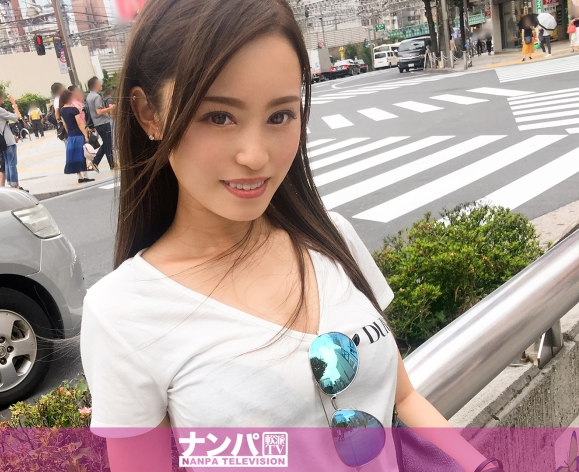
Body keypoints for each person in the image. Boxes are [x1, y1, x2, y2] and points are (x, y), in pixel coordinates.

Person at [79, 1, 502, 471]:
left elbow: (403, 399)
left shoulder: (330, 237)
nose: (255, 156)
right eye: (218, 117)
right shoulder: (123, 314)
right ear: (148, 114)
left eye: (279, 116)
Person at [0, 88, 23, 190]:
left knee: (7, 163)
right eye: (1, 96)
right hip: (8, 141)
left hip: (0, 142)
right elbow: (16, 117)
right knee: (12, 163)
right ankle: (15, 185)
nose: (3, 98)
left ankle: (12, 184)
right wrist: (14, 104)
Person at [59, 89, 94, 184]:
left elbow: (65, 124)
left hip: (71, 136)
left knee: (74, 157)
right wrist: (85, 135)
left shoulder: (62, 110)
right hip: (78, 135)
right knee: (82, 156)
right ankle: (85, 176)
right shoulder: (74, 110)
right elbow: (79, 123)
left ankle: (80, 177)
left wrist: (69, 133)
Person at [85, 77, 116, 172]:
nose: (101, 85)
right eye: (99, 84)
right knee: (108, 144)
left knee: (107, 144)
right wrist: (111, 108)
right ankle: (97, 162)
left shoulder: (89, 96)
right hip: (103, 122)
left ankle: (109, 164)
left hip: (97, 124)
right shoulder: (97, 97)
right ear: (95, 85)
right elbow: (99, 111)